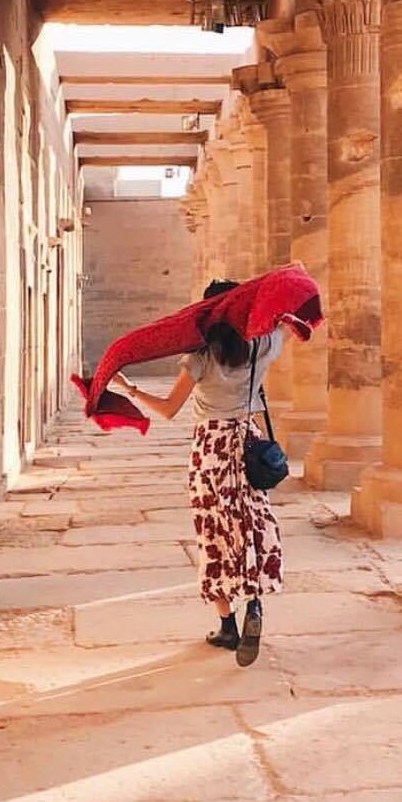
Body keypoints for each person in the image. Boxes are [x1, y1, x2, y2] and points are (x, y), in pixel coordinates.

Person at [111, 279, 285, 667]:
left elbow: (170, 408)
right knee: (250, 521)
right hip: (248, 443)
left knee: (215, 530)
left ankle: (228, 624)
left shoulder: (201, 356)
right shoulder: (265, 343)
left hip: (211, 448)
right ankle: (254, 603)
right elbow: (283, 322)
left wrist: (130, 389)